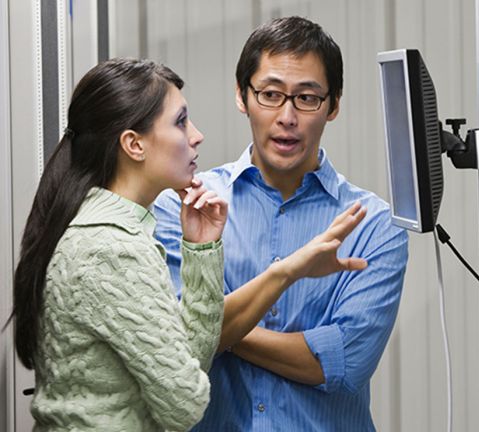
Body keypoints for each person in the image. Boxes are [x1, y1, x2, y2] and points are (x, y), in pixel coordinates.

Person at [9, 58, 367, 431]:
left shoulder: (114, 231)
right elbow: (186, 402)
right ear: (134, 144)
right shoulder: (112, 249)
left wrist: (201, 252)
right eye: (180, 122)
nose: (197, 135)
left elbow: (191, 358)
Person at [153, 16, 409, 431]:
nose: (287, 116)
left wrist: (214, 329)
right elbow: (173, 345)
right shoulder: (186, 207)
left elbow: (342, 364)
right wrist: (199, 333)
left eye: (307, 98)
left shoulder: (373, 225)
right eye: (270, 94)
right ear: (242, 96)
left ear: (334, 105)